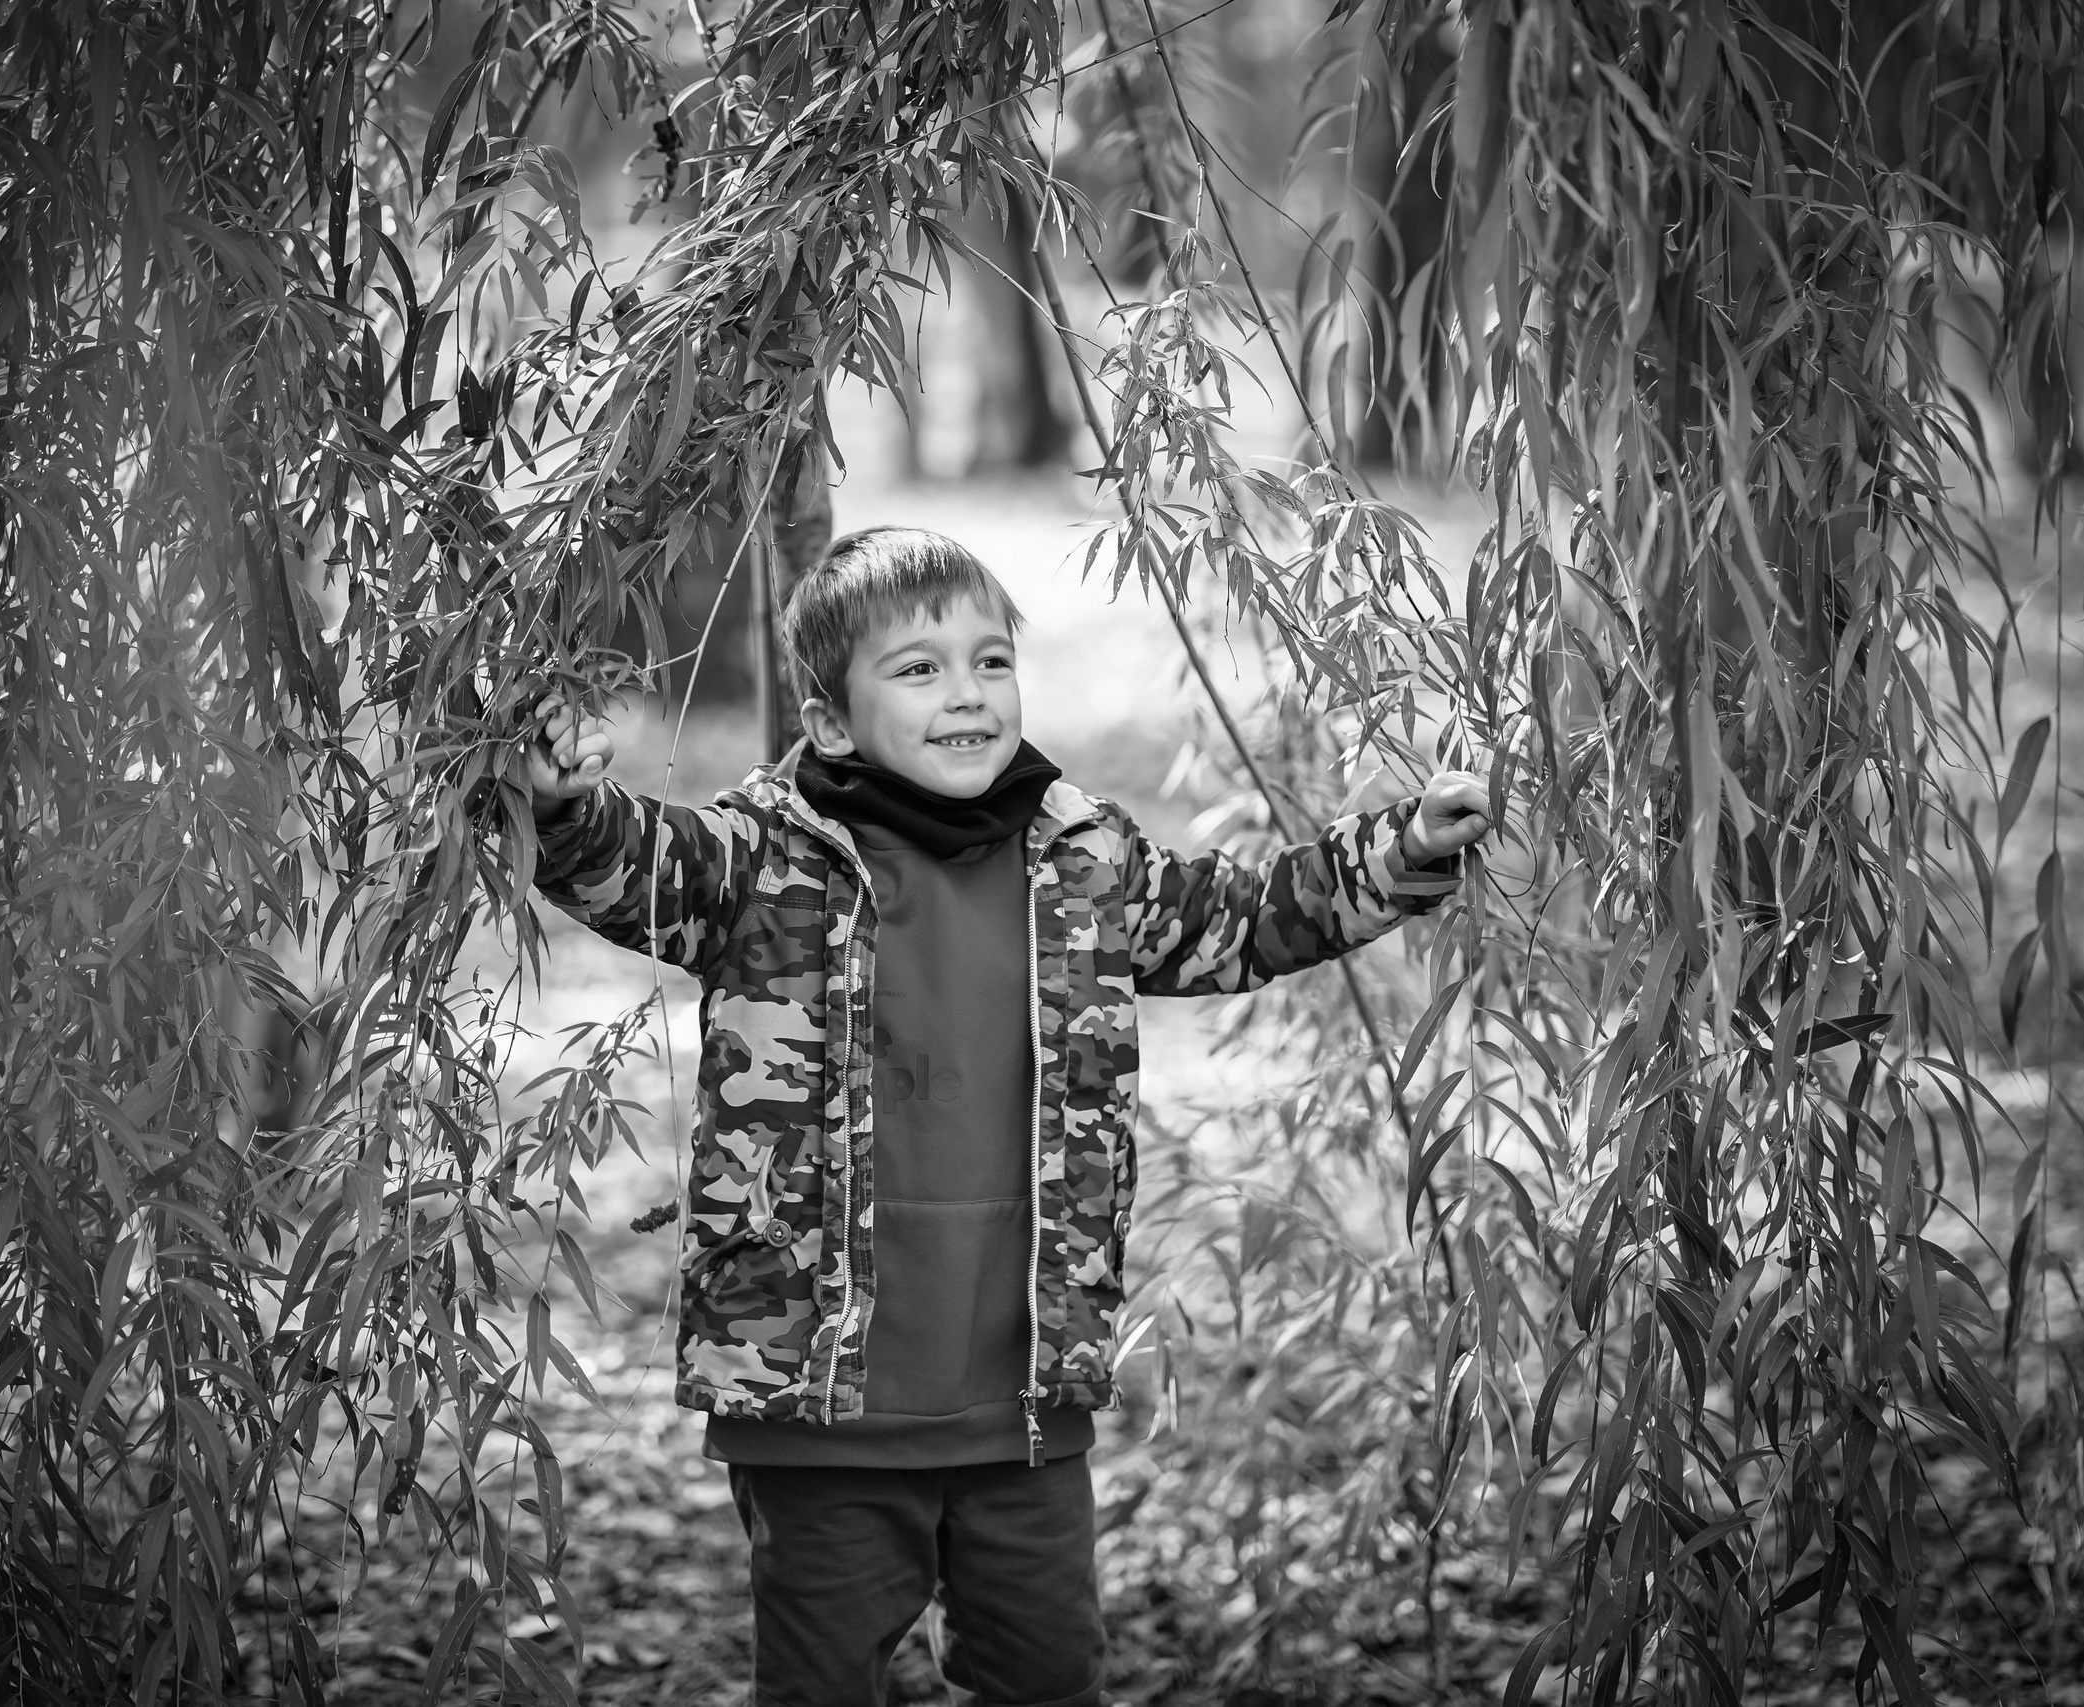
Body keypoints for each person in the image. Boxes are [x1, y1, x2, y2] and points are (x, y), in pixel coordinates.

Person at [525, 527, 1491, 1707]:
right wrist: (563, 806)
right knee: (821, 1684)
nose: (968, 692)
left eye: (991, 661)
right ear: (830, 722)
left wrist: (1402, 849)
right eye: (918, 669)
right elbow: (630, 863)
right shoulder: (758, 864)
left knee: (1046, 1675)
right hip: (822, 1405)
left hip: (1023, 1397)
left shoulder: (1079, 855)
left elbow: (1237, 921)